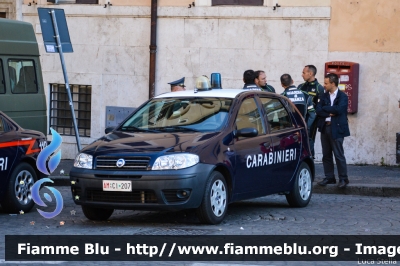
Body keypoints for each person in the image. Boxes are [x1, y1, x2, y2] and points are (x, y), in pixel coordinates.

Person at [316, 73, 350, 188]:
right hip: (325, 127)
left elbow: (339, 109)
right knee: (326, 154)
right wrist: (329, 112)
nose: (324, 85)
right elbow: (318, 110)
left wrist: (326, 109)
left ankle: (343, 179)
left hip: (337, 128)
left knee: (338, 154)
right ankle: (329, 177)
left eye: (326, 83)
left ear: (333, 83)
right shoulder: (324, 96)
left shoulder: (343, 96)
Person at [297, 65, 324, 157]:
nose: (302, 75)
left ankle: (310, 161)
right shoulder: (300, 87)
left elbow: (319, 107)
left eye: (304, 73)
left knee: (309, 140)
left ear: (310, 73)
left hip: (311, 120)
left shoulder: (319, 88)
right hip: (299, 119)